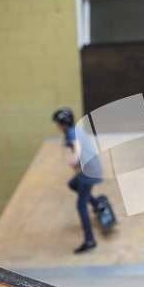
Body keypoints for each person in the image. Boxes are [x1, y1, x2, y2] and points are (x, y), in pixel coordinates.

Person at [52, 108, 113, 254]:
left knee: (81, 205)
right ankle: (97, 204)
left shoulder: (72, 133)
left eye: (58, 123)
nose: (57, 126)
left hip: (90, 172)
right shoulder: (74, 129)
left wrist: (75, 158)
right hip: (90, 168)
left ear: (63, 123)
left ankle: (89, 241)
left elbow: (77, 146)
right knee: (72, 184)